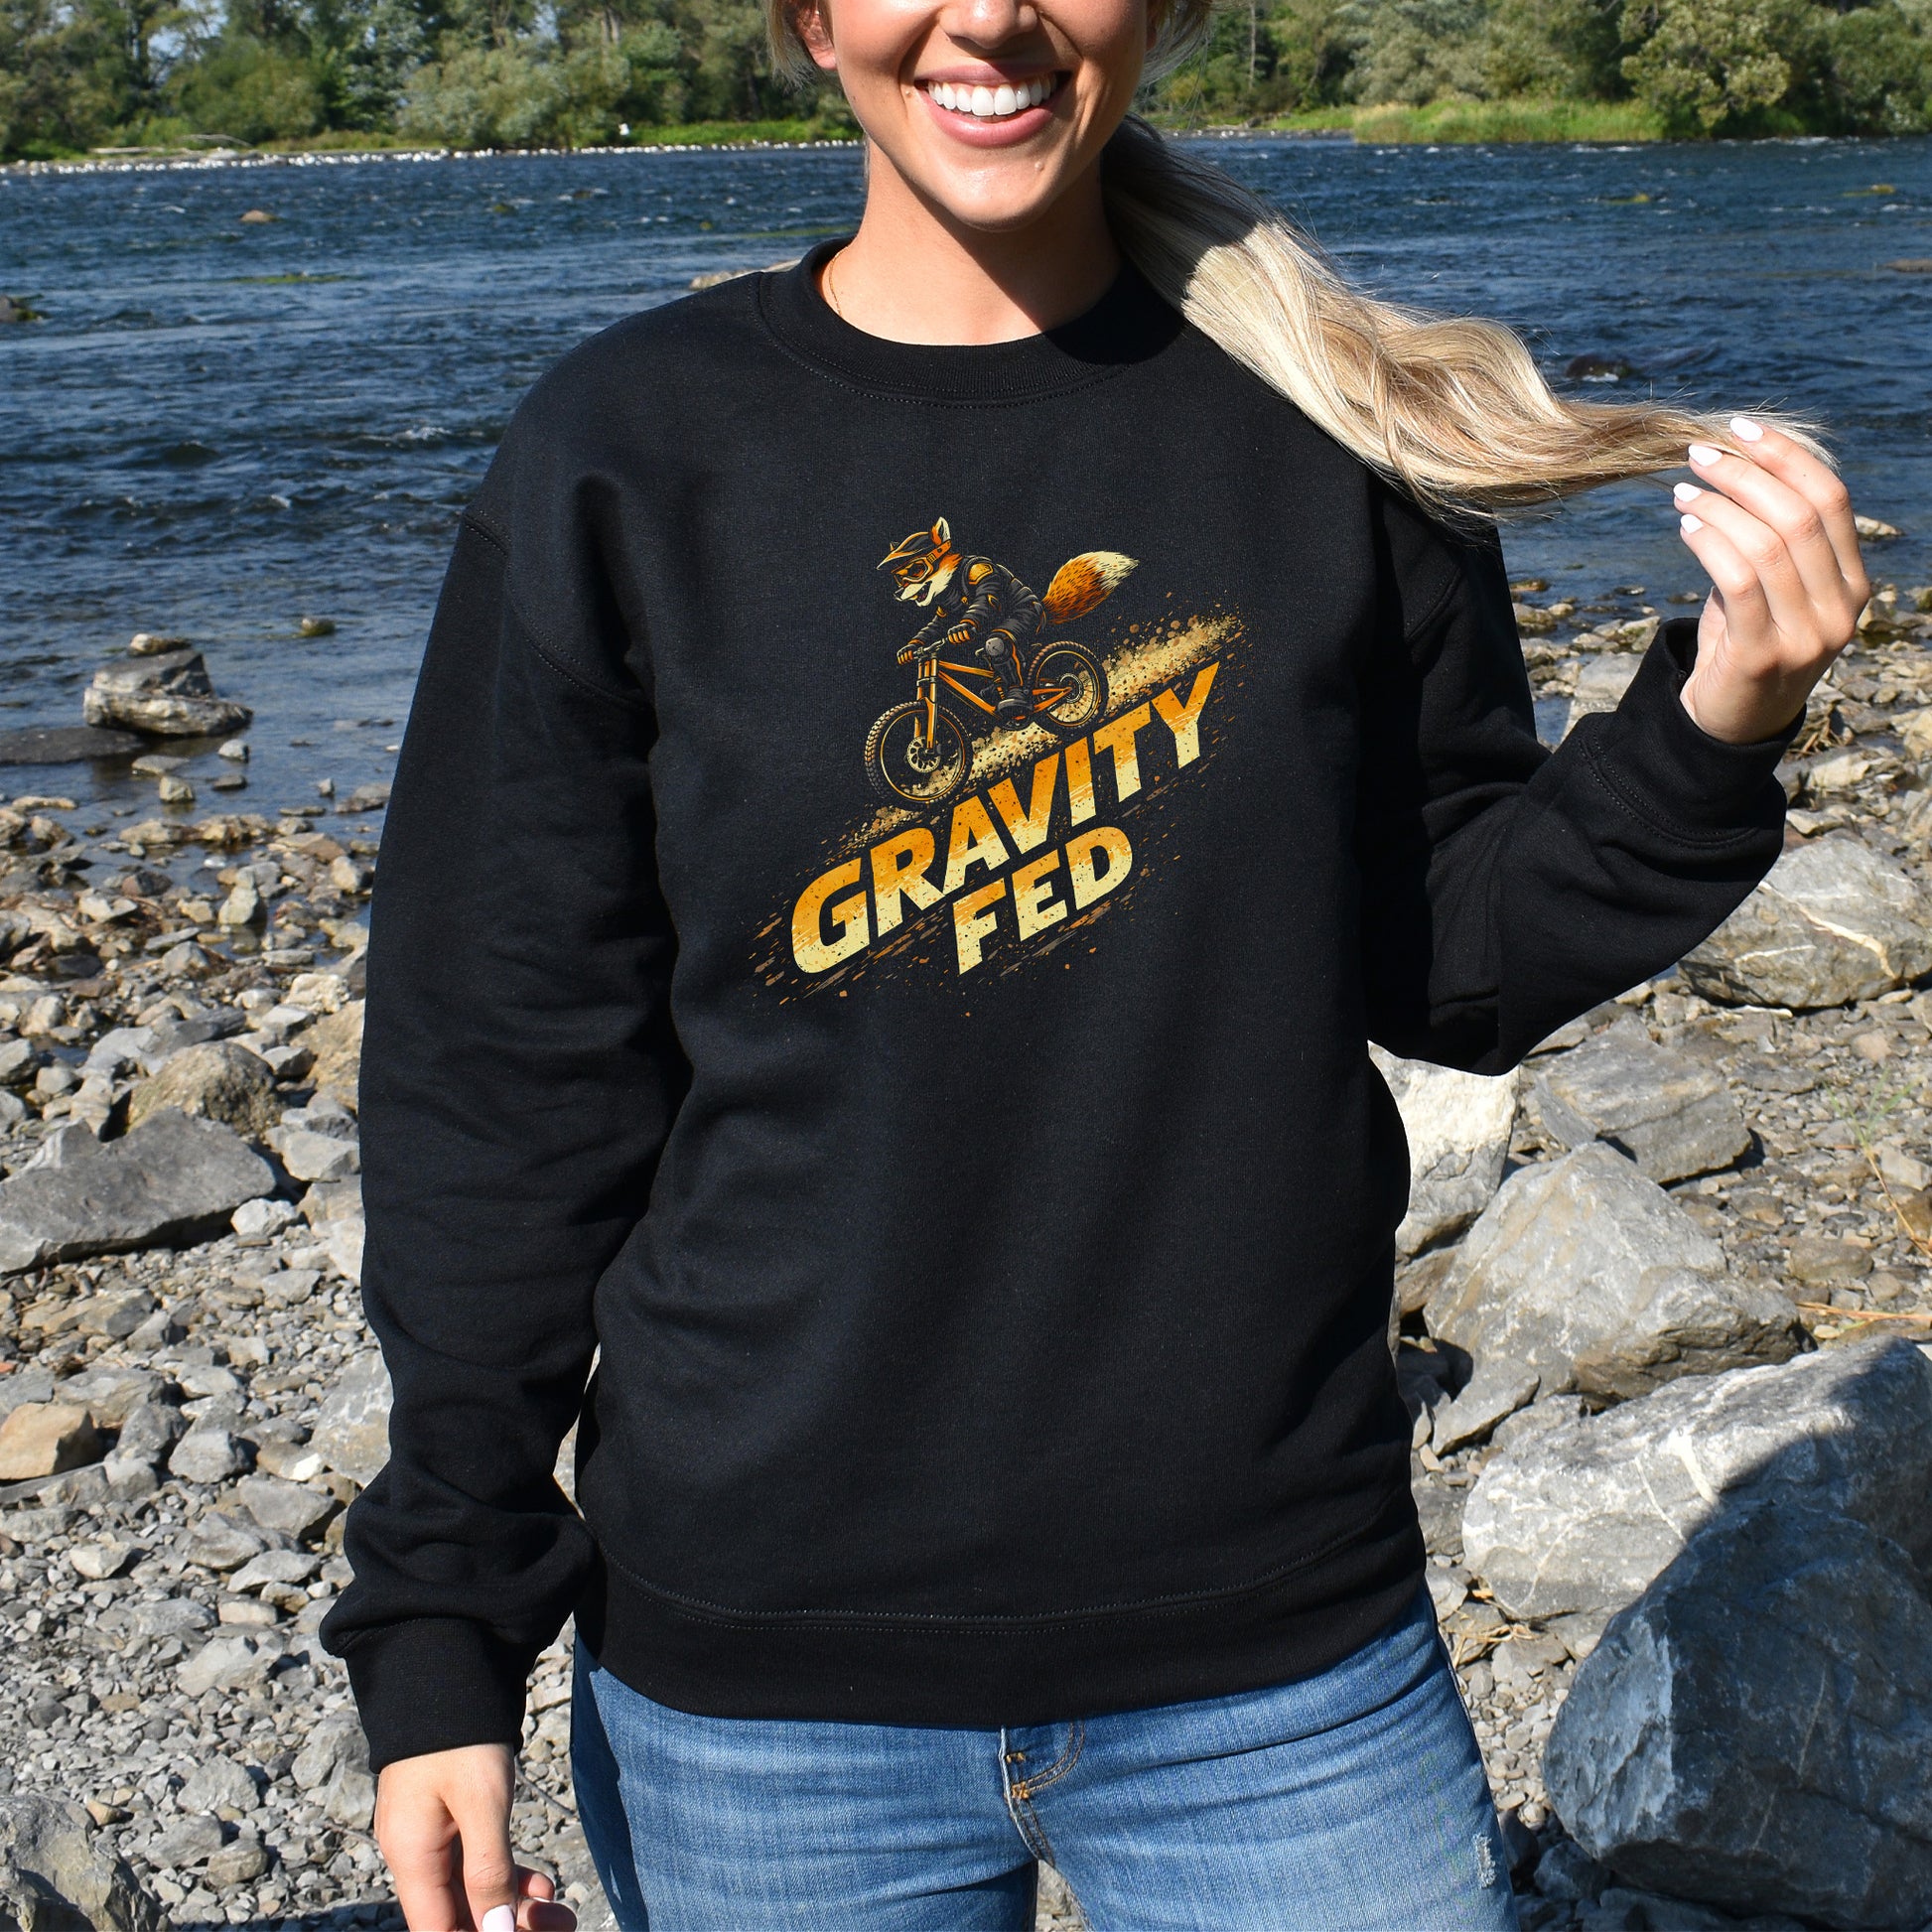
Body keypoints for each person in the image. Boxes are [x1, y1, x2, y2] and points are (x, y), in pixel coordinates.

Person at [319, 0, 1869, 1915]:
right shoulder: (628, 453)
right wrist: (444, 1622)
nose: (986, 15)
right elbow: (501, 1077)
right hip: (760, 1688)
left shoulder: (1333, 424)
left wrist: (1713, 720)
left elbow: (1452, 958)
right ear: (809, 20)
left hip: (1277, 1663)